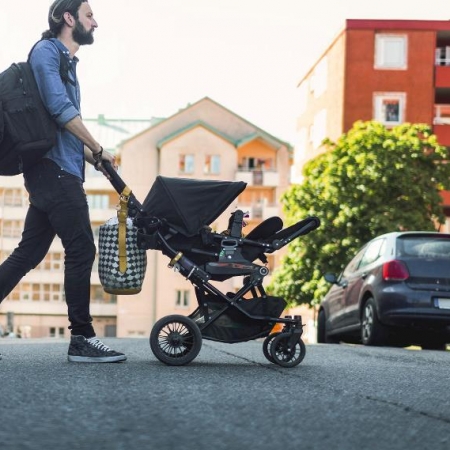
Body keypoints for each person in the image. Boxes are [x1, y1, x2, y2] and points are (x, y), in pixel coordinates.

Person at [0, 0, 126, 363]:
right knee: (82, 249)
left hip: (58, 169)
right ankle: (82, 339)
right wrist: (97, 145)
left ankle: (82, 339)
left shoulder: (66, 63)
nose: (95, 23)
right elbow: (59, 109)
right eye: (89, 16)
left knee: (28, 253)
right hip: (54, 172)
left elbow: (62, 127)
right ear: (68, 18)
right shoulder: (46, 52)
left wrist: (95, 157)